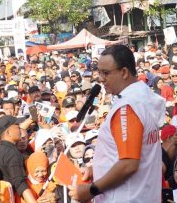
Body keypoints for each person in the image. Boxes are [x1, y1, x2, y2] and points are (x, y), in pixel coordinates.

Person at [70, 44, 164, 202]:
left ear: (124, 72)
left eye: (106, 73)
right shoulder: (143, 98)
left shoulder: (128, 107)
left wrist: (91, 190)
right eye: (99, 72)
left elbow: (129, 164)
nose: (101, 78)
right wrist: (97, 170)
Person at [0, 115, 37, 203]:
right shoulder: (12, 153)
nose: (20, 129)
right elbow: (19, 182)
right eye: (17, 127)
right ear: (8, 132)